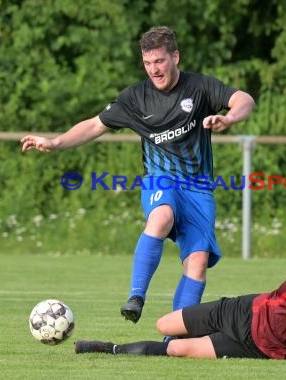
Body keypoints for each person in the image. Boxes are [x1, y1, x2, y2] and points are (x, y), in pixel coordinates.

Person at [20, 26, 256, 324]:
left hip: (198, 188)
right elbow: (94, 125)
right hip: (160, 180)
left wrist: (230, 116)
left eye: (159, 61)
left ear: (175, 57)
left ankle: (175, 336)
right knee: (161, 217)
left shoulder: (200, 87)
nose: (153, 70)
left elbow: (244, 98)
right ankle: (136, 296)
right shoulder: (135, 98)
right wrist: (55, 143)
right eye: (147, 63)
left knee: (197, 264)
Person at [74, 261, 286, 364]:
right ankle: (197, 334)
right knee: (163, 324)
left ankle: (109, 348)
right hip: (242, 311)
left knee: (178, 349)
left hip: (256, 348)